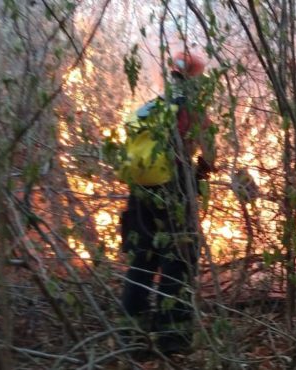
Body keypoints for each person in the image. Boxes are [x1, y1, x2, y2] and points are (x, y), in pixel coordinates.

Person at [119, 50, 216, 356]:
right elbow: (211, 155)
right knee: (179, 265)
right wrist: (201, 171)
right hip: (174, 195)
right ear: (196, 80)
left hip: (139, 196)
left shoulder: (150, 108)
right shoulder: (194, 110)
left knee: (141, 263)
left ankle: (132, 336)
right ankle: (172, 339)